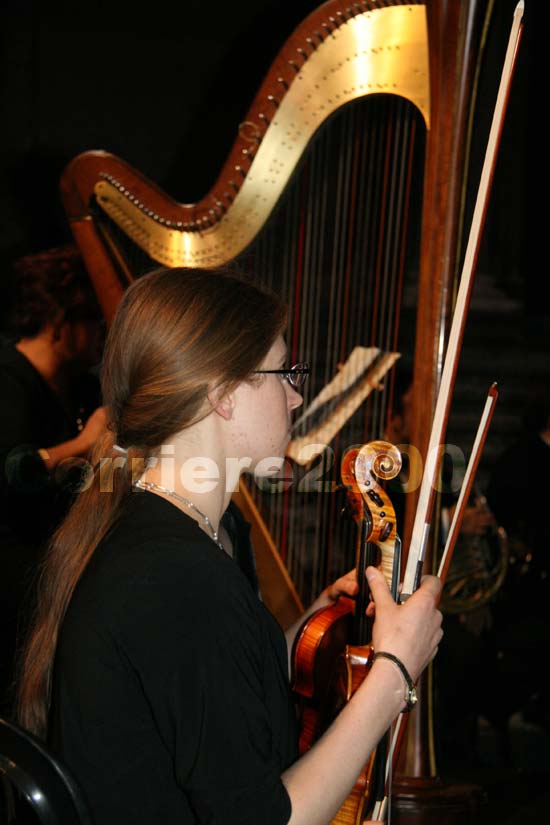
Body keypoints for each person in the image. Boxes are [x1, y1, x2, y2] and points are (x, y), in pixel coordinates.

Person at [16, 266, 442, 825]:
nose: (295, 398)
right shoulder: (176, 577)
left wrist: (302, 632)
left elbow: (204, 687)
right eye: (284, 373)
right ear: (221, 394)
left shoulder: (200, 532)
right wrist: (394, 673)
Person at [0, 244, 106, 715]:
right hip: (11, 576)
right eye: (94, 323)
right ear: (64, 320)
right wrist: (82, 444)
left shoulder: (78, 386)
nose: (102, 336)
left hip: (53, 569)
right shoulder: (8, 378)